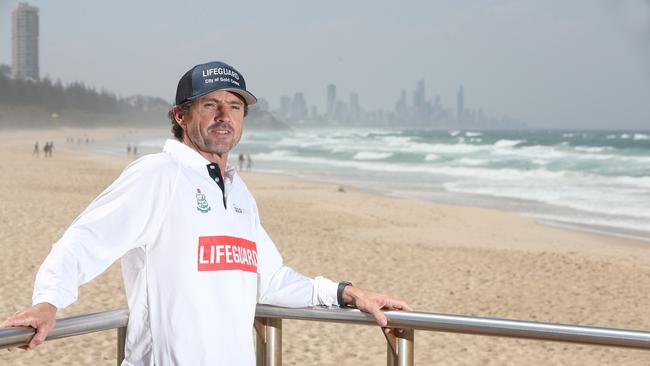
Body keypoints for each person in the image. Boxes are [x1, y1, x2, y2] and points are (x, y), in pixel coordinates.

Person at [1, 61, 410, 365]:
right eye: (209, 104)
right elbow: (85, 240)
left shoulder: (238, 191)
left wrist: (349, 293)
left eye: (234, 106)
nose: (223, 116)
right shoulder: (159, 174)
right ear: (180, 116)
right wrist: (48, 302)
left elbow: (269, 279)